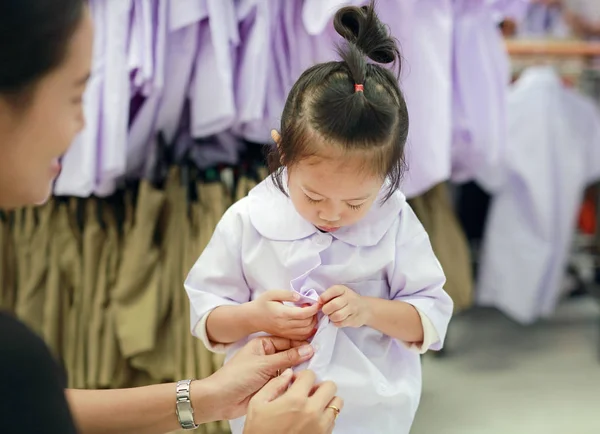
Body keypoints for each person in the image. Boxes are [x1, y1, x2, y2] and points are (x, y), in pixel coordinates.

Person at [0, 0, 342, 433]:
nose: (83, 125)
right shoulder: (16, 359)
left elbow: (28, 408)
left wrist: (206, 398)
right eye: (74, 96)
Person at [185, 2, 454, 434]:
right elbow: (208, 315)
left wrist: (368, 310)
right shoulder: (248, 219)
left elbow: (431, 315)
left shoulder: (395, 218)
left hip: (373, 413)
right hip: (270, 413)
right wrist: (256, 316)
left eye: (355, 204)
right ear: (282, 152)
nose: (332, 214)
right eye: (313, 195)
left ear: (390, 172)